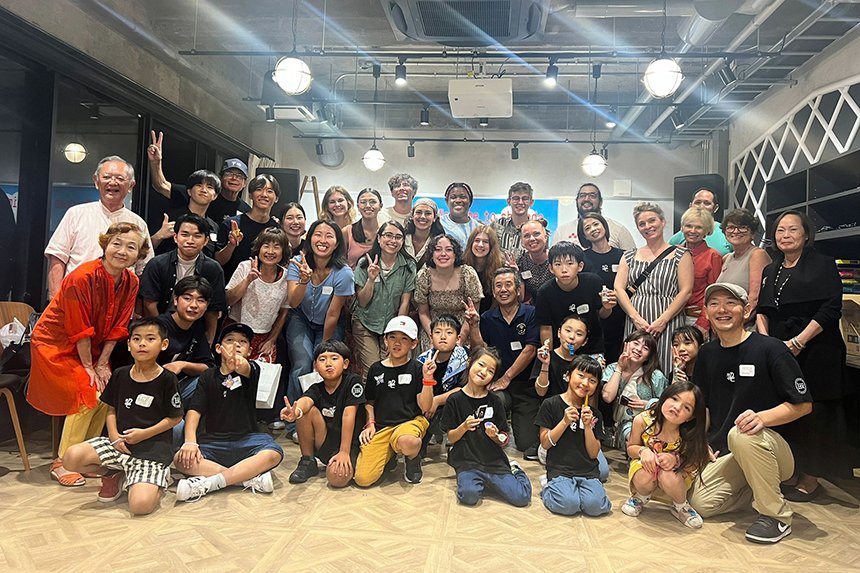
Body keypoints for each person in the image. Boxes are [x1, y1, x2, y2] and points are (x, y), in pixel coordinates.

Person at [689, 283, 812, 544]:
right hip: (730, 452)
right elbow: (705, 408)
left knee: (743, 433)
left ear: (746, 311)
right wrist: (701, 444)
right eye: (714, 304)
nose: (722, 310)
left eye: (730, 303)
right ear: (706, 311)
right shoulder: (707, 354)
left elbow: (803, 404)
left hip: (773, 450)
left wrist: (763, 418)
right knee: (700, 503)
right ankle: (760, 488)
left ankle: (777, 517)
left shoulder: (771, 349)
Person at [28, 222, 149, 487]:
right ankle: (63, 462)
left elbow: (119, 326)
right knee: (87, 392)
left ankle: (85, 458)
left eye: (131, 247)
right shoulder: (81, 276)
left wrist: (103, 362)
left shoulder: (131, 281)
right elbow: (79, 328)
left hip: (90, 348)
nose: (122, 251)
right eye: (116, 243)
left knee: (105, 395)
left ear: (139, 255)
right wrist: (90, 366)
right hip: (55, 345)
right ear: (105, 244)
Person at [757, 210, 848, 500]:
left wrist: (798, 341)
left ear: (806, 234)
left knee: (816, 413)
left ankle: (811, 477)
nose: (786, 236)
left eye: (793, 230)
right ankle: (792, 469)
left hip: (817, 347)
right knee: (788, 409)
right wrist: (767, 343)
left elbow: (831, 308)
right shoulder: (771, 268)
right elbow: (763, 310)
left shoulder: (823, 264)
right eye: (780, 230)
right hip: (780, 349)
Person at [63, 318, 182, 514]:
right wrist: (114, 436)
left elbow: (175, 418)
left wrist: (144, 434)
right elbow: (111, 408)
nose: (142, 343)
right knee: (71, 458)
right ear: (128, 345)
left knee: (140, 506)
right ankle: (114, 473)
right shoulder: (120, 374)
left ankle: (156, 480)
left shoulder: (167, 379)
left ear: (164, 345)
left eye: (150, 338)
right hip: (120, 446)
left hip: (151, 453)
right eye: (136, 339)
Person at [173, 323, 284, 501]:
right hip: (213, 442)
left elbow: (244, 368)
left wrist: (240, 364)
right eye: (230, 340)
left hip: (248, 439)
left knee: (274, 453)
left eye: (243, 342)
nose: (236, 344)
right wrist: (190, 442)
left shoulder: (252, 369)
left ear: (249, 351)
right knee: (180, 459)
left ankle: (208, 484)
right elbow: (194, 411)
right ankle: (245, 479)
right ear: (218, 348)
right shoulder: (208, 376)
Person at [45, 155, 153, 298]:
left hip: (119, 301)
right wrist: (55, 298)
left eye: (120, 178)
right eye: (107, 177)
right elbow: (57, 257)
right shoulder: (76, 213)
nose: (113, 182)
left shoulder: (138, 224)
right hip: (75, 297)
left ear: (131, 186)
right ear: (96, 181)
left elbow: (144, 269)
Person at [440, 347, 532, 507]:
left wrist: (496, 436)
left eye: (490, 371)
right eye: (481, 365)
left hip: (494, 461)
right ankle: (481, 482)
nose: (483, 372)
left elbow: (504, 437)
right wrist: (463, 427)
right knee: (468, 496)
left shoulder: (495, 401)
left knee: (521, 497)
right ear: (470, 363)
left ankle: (514, 469)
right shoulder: (454, 399)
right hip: (467, 462)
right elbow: (451, 437)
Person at [285, 220, 354, 425]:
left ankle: (321, 418)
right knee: (301, 364)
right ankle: (293, 418)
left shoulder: (344, 273)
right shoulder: (297, 262)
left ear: (336, 243)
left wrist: (322, 350)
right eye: (318, 234)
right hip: (301, 318)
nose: (322, 240)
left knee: (325, 365)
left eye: (329, 236)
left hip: (331, 322)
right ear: (309, 238)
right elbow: (293, 301)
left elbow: (333, 314)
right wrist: (304, 280)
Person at [465, 268, 539, 459]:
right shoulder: (488, 318)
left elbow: (531, 349)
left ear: (518, 289)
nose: (503, 290)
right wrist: (474, 326)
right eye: (498, 286)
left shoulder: (531, 313)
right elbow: (482, 350)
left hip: (526, 386)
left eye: (508, 284)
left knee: (525, 443)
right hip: (499, 384)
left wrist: (507, 377)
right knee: (494, 399)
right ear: (493, 291)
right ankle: (488, 440)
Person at [614, 202, 693, 375]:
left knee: (667, 365)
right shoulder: (629, 255)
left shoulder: (681, 254)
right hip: (636, 321)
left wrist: (663, 320)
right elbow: (619, 289)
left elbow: (686, 291)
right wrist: (635, 318)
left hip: (668, 320)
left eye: (652, 221)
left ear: (663, 222)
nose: (647, 226)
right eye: (642, 224)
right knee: (633, 367)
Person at [354, 316, 434, 486]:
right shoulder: (376, 369)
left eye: (404, 338)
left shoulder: (417, 368)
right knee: (363, 479)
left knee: (409, 442)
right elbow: (370, 401)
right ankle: (388, 456)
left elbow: (425, 407)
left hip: (410, 423)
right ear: (385, 340)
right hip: (382, 426)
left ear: (413, 343)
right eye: (392, 337)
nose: (397, 343)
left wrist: (427, 379)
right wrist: (370, 423)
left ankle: (412, 461)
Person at [621, 382, 709, 529]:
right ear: (664, 397)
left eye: (686, 407)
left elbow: (694, 460)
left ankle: (681, 505)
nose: (677, 407)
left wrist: (676, 459)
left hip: (676, 476)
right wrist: (643, 451)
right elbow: (631, 448)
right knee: (644, 473)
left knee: (667, 475)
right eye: (674, 399)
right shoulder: (642, 420)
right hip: (647, 468)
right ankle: (640, 497)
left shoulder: (689, 433)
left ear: (690, 417)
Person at [282, 340, 366, 487]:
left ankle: (344, 460)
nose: (328, 363)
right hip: (325, 441)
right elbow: (305, 401)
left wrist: (344, 452)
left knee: (337, 478)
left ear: (345, 363)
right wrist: (295, 412)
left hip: (348, 444)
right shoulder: (316, 388)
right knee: (305, 412)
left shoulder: (353, 381)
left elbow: (349, 415)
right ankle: (307, 460)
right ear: (315, 366)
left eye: (334, 358)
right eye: (322, 359)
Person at [536, 355, 611, 516]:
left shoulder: (594, 413)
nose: (585, 383)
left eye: (592, 380)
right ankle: (548, 488)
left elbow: (593, 453)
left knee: (595, 507)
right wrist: (564, 422)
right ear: (568, 375)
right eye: (581, 376)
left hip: (588, 472)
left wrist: (589, 427)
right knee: (568, 505)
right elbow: (545, 443)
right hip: (560, 470)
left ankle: (581, 492)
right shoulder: (551, 404)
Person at [139, 213, 226, 343]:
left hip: (196, 331)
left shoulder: (213, 268)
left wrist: (209, 341)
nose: (190, 240)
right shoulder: (157, 264)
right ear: (175, 237)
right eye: (185, 235)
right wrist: (160, 333)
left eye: (197, 236)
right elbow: (149, 304)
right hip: (159, 327)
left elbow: (212, 311)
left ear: (206, 241)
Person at [352, 221, 417, 379]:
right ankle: (369, 404)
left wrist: (396, 333)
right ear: (379, 239)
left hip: (391, 325)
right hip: (365, 322)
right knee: (373, 368)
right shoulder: (364, 263)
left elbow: (405, 303)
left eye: (398, 237)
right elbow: (362, 302)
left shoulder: (408, 265)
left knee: (392, 364)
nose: (393, 241)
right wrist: (371, 279)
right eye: (388, 235)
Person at [147, 131, 250, 224]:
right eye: (229, 174)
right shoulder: (198, 193)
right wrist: (156, 162)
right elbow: (160, 185)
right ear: (221, 178)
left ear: (245, 183)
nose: (234, 178)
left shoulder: (245, 210)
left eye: (239, 176)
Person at [536, 241, 614, 361]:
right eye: (558, 264)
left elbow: (603, 315)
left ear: (580, 266)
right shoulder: (544, 292)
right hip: (561, 350)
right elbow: (546, 328)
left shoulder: (593, 282)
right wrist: (550, 358)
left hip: (592, 348)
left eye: (570, 263)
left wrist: (607, 307)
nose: (564, 270)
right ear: (551, 268)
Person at [225, 227, 291, 360]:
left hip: (265, 338)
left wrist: (271, 340)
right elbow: (228, 300)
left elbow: (284, 312)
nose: (270, 251)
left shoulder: (286, 277)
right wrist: (248, 279)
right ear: (259, 248)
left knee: (263, 378)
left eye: (276, 247)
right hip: (236, 332)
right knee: (233, 378)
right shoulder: (245, 267)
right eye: (266, 246)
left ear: (283, 251)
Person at [601, 330, 670, 449]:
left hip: (650, 423)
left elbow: (667, 404)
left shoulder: (655, 376)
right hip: (621, 426)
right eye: (636, 343)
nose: (638, 349)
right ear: (626, 345)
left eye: (645, 348)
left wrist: (648, 404)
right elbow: (607, 397)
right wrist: (619, 368)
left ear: (649, 356)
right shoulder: (612, 369)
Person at [414, 234, 483, 351]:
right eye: (438, 249)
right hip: (433, 329)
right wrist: (433, 337)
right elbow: (423, 313)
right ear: (431, 254)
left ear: (455, 254)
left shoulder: (468, 274)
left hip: (463, 328)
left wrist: (460, 339)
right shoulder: (424, 275)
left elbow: (473, 312)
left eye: (449, 250)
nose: (443, 254)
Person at [155, 276, 216, 405]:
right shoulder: (157, 327)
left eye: (200, 300)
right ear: (175, 300)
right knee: (178, 425)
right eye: (187, 299)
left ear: (206, 306)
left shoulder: (196, 326)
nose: (193, 305)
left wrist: (182, 365)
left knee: (214, 380)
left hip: (177, 388)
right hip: (152, 389)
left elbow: (208, 366)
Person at [416, 315, 469, 455]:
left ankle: (456, 442)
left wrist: (437, 400)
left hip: (454, 405)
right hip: (427, 406)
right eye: (438, 332)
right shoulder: (422, 361)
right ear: (431, 337)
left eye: (449, 332)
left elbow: (464, 388)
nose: (443, 336)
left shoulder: (464, 358)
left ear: (458, 338)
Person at [215, 173, 280, 282]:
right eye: (259, 189)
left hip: (262, 290)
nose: (264, 194)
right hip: (231, 288)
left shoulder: (277, 229)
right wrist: (231, 245)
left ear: (276, 198)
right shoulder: (232, 224)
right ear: (250, 195)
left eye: (270, 191)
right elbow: (218, 261)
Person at [581, 212, 625, 363]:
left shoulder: (623, 256)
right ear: (584, 236)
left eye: (596, 224)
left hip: (621, 316)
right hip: (594, 318)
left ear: (604, 226)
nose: (593, 229)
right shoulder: (582, 258)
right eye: (587, 228)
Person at [149, 169, 220, 257]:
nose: (203, 190)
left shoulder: (214, 226)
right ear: (189, 191)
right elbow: (144, 250)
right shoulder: (170, 218)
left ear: (215, 196)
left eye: (209, 187)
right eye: (199, 185)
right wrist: (158, 236)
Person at [717, 208, 771, 317]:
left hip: (745, 324)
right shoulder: (727, 258)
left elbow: (755, 298)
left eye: (742, 227)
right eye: (731, 227)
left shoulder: (757, 255)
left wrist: (740, 321)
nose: (736, 231)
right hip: (725, 320)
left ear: (753, 233)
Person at [551, 183, 636, 251]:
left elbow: (632, 261)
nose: (586, 199)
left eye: (592, 195)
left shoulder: (618, 229)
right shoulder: (562, 231)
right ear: (576, 201)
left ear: (600, 202)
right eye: (582, 195)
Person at [679, 207, 723, 335]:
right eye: (688, 226)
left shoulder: (713, 256)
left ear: (707, 231)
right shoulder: (673, 253)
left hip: (695, 318)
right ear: (682, 228)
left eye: (698, 227)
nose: (692, 231)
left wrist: (703, 322)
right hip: (671, 316)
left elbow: (713, 293)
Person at [533, 314, 590, 398]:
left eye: (579, 334)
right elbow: (540, 392)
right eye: (568, 330)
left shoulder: (584, 364)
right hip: (549, 408)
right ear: (559, 332)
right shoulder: (545, 357)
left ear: (585, 341)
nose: (572, 337)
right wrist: (545, 365)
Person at [669, 188, 732, 255]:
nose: (701, 206)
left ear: (715, 208)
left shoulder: (726, 232)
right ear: (690, 206)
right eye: (697, 202)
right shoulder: (680, 236)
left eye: (707, 203)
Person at [464, 225, 503, 314]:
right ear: (471, 243)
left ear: (491, 245)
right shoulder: (462, 264)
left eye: (485, 242)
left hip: (491, 316)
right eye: (477, 241)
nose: (480, 245)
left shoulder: (500, 266)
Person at [342, 188, 383, 268]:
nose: (367, 206)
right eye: (363, 202)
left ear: (380, 206)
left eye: (373, 202)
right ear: (358, 206)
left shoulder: (386, 232)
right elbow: (340, 262)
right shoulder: (347, 232)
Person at [491, 182, 535, 257]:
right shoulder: (496, 226)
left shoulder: (537, 230)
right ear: (509, 201)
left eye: (525, 198)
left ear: (531, 202)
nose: (520, 202)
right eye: (516, 198)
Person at [515, 219, 553, 303]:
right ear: (522, 241)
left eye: (536, 234)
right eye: (526, 236)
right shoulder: (521, 262)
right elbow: (520, 299)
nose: (532, 239)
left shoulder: (555, 258)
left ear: (545, 237)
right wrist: (516, 273)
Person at [404, 198, 444, 269]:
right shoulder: (401, 239)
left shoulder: (440, 243)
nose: (422, 216)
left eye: (428, 213)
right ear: (412, 216)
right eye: (418, 212)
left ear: (434, 218)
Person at [439, 182, 480, 249]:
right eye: (453, 197)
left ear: (470, 201)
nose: (458, 200)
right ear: (447, 201)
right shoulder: (438, 223)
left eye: (463, 197)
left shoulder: (478, 228)